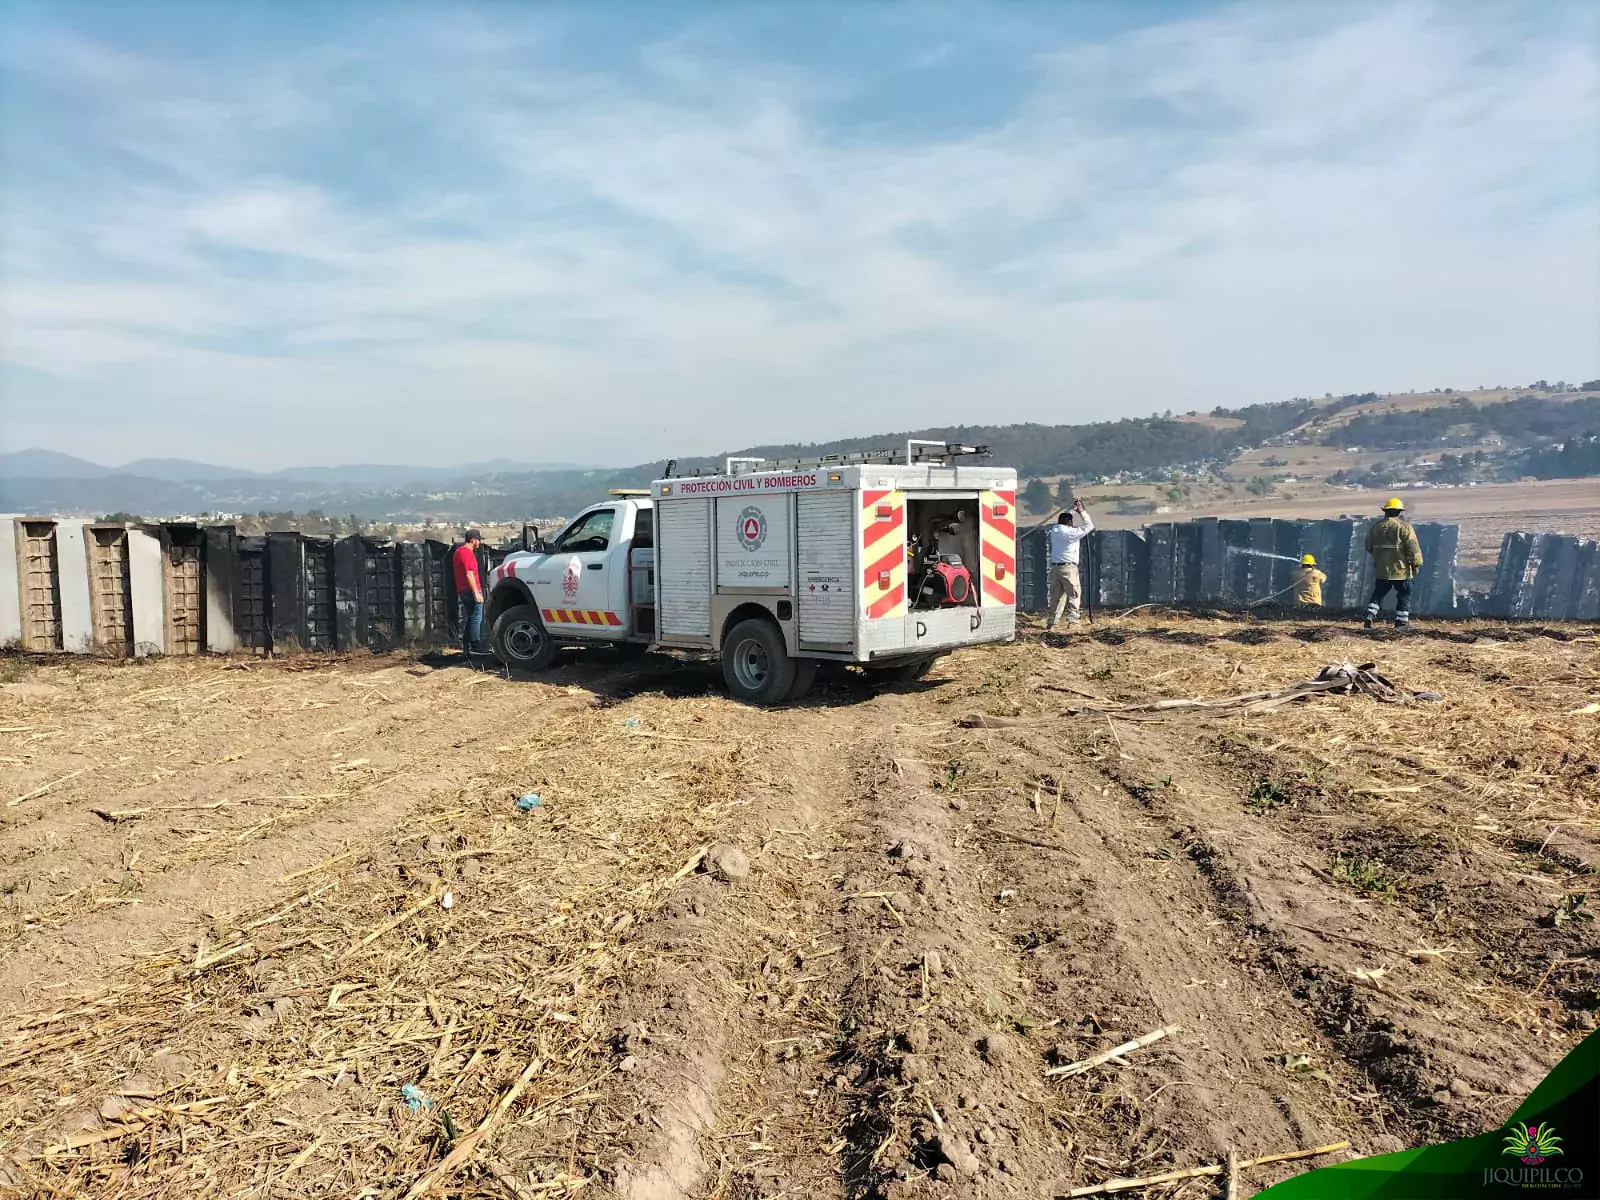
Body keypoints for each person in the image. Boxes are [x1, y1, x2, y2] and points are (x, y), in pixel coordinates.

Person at [1364, 498, 1423, 629]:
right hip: (1400, 571)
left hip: (1381, 570)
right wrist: (1416, 564)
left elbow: (1368, 547)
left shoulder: (1375, 527)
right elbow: (1413, 548)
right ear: (1399, 512)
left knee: (1378, 594)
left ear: (1385, 511)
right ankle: (1401, 622)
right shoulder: (1404, 527)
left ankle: (1369, 615)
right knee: (1404, 594)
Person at [1046, 499, 1093, 629]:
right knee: (1073, 594)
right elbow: (1089, 526)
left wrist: (1071, 508)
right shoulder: (1071, 533)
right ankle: (1073, 621)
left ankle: (1052, 622)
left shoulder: (1055, 530)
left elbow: (1065, 518)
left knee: (1057, 596)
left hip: (1056, 568)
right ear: (1070, 523)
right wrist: (1082, 512)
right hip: (1068, 568)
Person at [453, 530, 486, 656]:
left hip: (462, 589)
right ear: (473, 540)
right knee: (476, 617)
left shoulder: (458, 552)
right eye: (478, 540)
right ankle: (476, 645)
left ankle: (466, 646)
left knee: (471, 617)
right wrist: (476, 593)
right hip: (470, 589)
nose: (479, 543)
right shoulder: (467, 553)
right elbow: (469, 574)